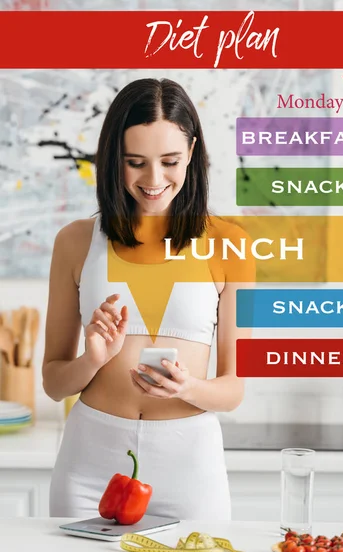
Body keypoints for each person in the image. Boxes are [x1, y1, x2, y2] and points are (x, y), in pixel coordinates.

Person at [44, 78, 254, 521]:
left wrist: (189, 387)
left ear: (192, 152)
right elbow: (54, 382)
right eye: (134, 162)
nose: (154, 180)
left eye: (170, 161)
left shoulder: (230, 244)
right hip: (89, 463)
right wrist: (92, 359)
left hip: (190, 465)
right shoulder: (75, 242)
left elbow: (233, 388)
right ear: (111, 160)